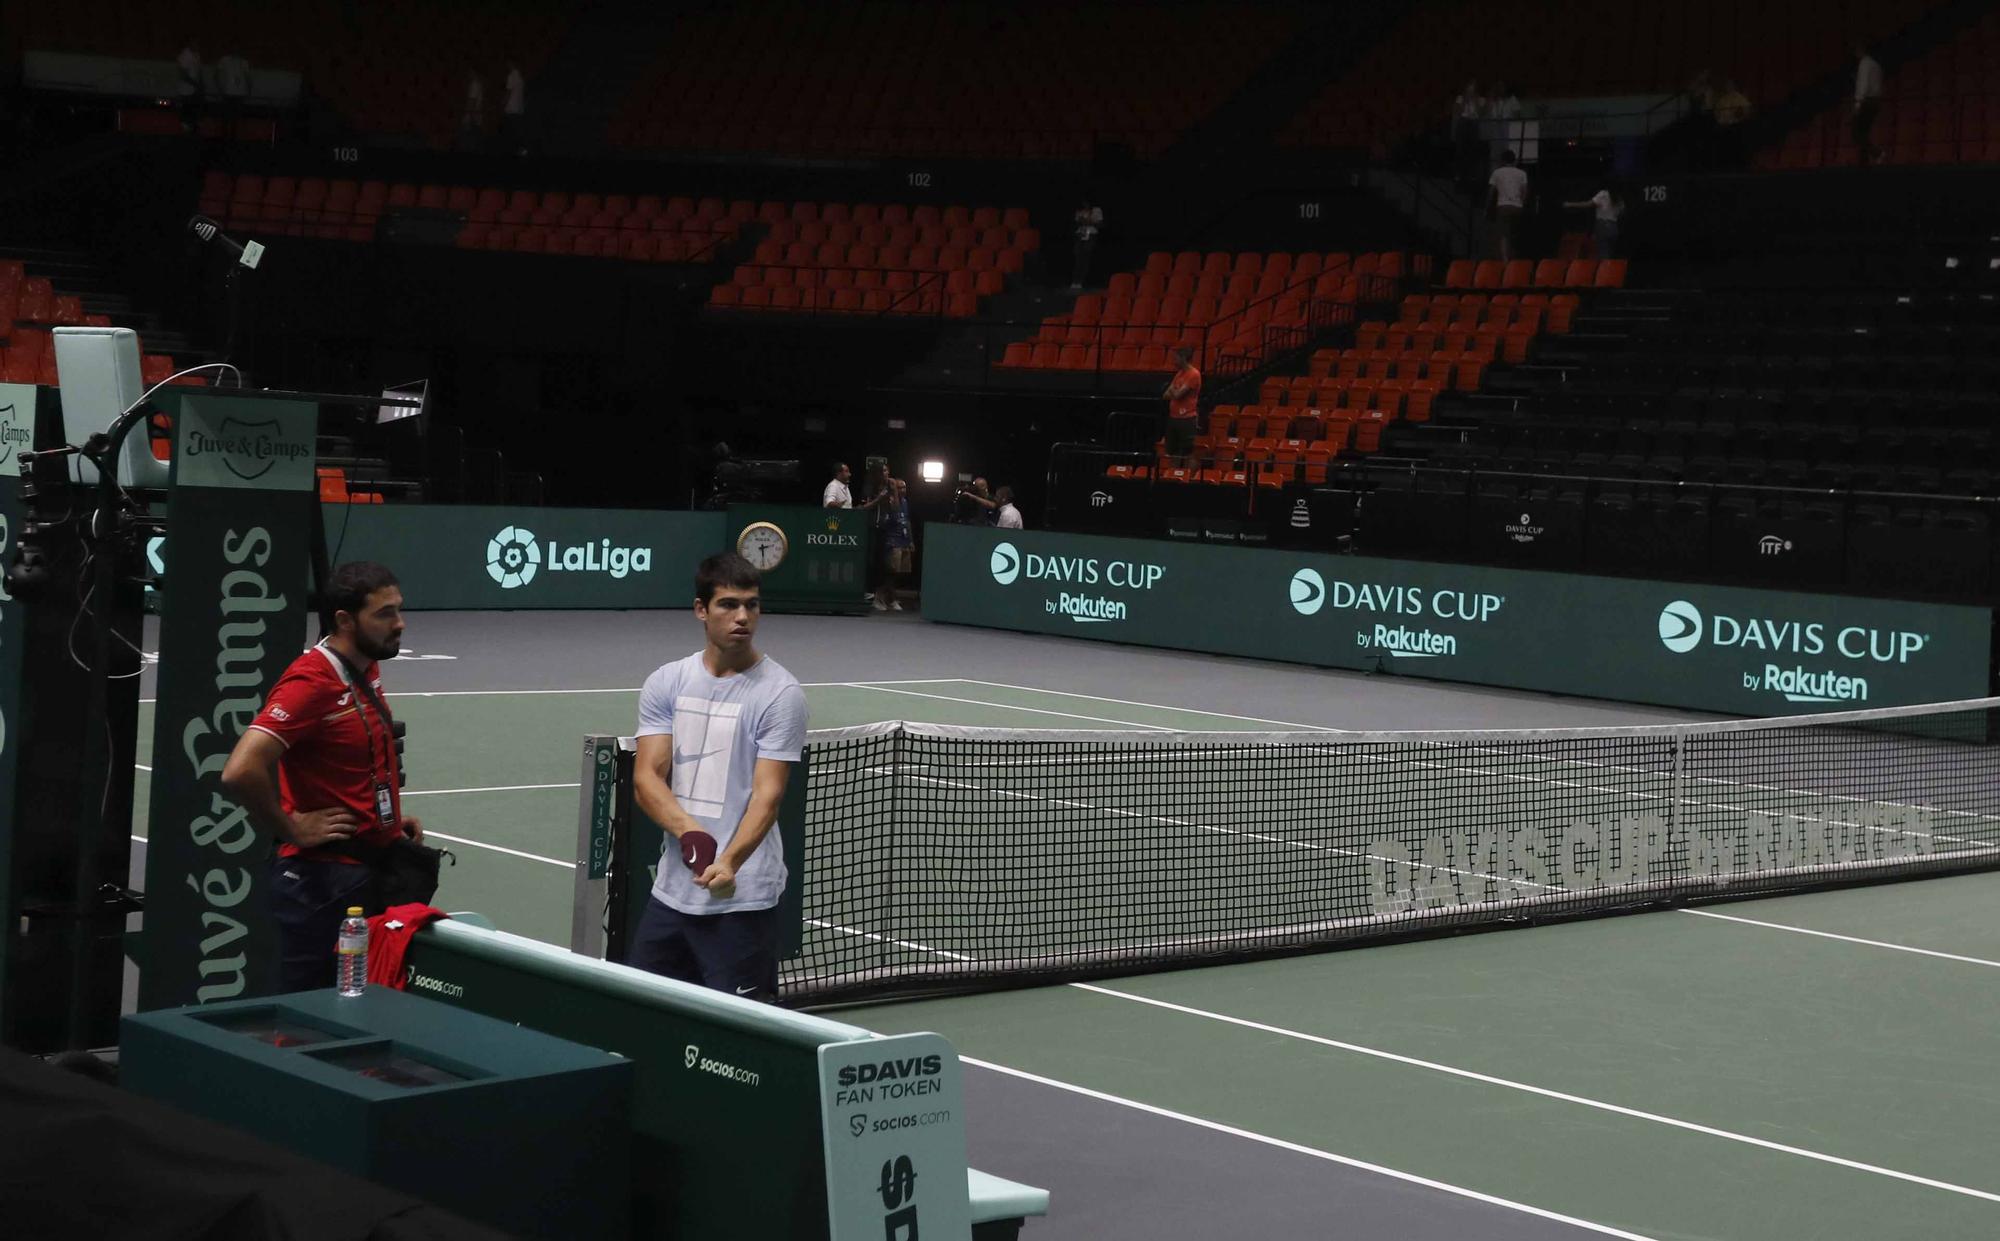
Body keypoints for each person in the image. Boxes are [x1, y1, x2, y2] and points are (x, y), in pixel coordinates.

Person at [220, 562, 424, 993]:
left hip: (365, 871)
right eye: (385, 614)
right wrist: (291, 826)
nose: (400, 624)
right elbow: (241, 770)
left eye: (399, 610)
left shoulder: (364, 667)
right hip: (322, 888)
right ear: (345, 621)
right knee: (308, 1020)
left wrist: (384, 825)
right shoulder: (312, 680)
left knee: (364, 1010)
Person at [629, 553, 808, 1001]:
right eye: (728, 604)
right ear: (701, 609)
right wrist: (689, 831)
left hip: (742, 899)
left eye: (752, 605)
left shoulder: (780, 694)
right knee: (641, 1013)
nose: (743, 617)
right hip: (671, 894)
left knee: (741, 1040)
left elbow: (768, 796)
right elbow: (647, 777)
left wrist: (729, 861)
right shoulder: (667, 682)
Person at [1487, 150, 1529, 263]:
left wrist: (1488, 205)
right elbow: (1524, 191)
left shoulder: (1497, 173)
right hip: (1517, 206)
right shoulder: (1522, 173)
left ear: (1502, 160)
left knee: (1503, 234)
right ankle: (1516, 257)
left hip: (1503, 206)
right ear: (1514, 160)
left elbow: (1491, 191)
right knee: (1515, 233)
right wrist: (1522, 204)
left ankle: (1505, 259)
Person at [879, 478, 913, 611]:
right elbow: (895, 511)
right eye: (899, 488)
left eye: (904, 487)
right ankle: (880, 597)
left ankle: (890, 597)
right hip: (892, 540)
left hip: (903, 539)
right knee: (890, 572)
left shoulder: (905, 502)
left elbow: (907, 521)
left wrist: (911, 540)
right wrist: (893, 492)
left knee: (898, 573)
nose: (902, 490)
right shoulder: (890, 501)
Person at [1562, 186, 1623, 259]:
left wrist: (1570, 204)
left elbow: (1588, 204)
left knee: (1604, 254)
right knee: (1612, 254)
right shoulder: (1619, 197)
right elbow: (1622, 212)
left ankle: (1605, 269)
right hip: (1614, 227)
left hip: (1602, 226)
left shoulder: (1603, 194)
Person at [1852, 41, 1883, 165]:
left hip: (1867, 101)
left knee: (1856, 133)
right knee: (1863, 133)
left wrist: (1858, 103)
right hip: (1875, 102)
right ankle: (1864, 162)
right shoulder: (1876, 65)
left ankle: (1877, 153)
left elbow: (1863, 85)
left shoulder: (1864, 64)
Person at [1070, 198, 1103, 291]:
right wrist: (1081, 222)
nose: (1085, 204)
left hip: (1091, 235)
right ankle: (1075, 281)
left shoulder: (1096, 210)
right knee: (1078, 258)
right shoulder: (1079, 210)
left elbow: (1100, 224)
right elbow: (1076, 223)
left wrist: (1090, 222)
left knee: (1086, 258)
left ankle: (1081, 281)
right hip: (1080, 235)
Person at [216, 49, 250, 139]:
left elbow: (247, 78)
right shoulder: (224, 60)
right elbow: (217, 74)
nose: (236, 50)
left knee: (235, 117)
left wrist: (248, 90)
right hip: (227, 93)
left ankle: (232, 135)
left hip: (238, 94)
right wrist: (220, 88)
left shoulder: (244, 62)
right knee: (226, 116)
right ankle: (224, 135)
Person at [176, 40, 204, 134]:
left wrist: (200, 84)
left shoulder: (196, 55)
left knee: (194, 112)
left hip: (194, 90)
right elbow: (183, 74)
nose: (197, 45)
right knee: (186, 113)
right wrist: (196, 84)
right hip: (186, 90)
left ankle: (192, 130)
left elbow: (198, 71)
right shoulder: (185, 55)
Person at [502, 59, 526, 154]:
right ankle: (521, 150)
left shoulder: (511, 76)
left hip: (511, 109)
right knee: (517, 132)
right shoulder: (520, 77)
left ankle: (513, 151)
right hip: (519, 108)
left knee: (510, 133)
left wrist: (503, 103)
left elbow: (508, 92)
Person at [460, 68, 486, 145]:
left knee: (468, 137)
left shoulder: (474, 84)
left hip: (473, 114)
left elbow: (472, 101)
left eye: (470, 72)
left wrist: (468, 114)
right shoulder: (479, 83)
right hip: (477, 113)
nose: (468, 74)